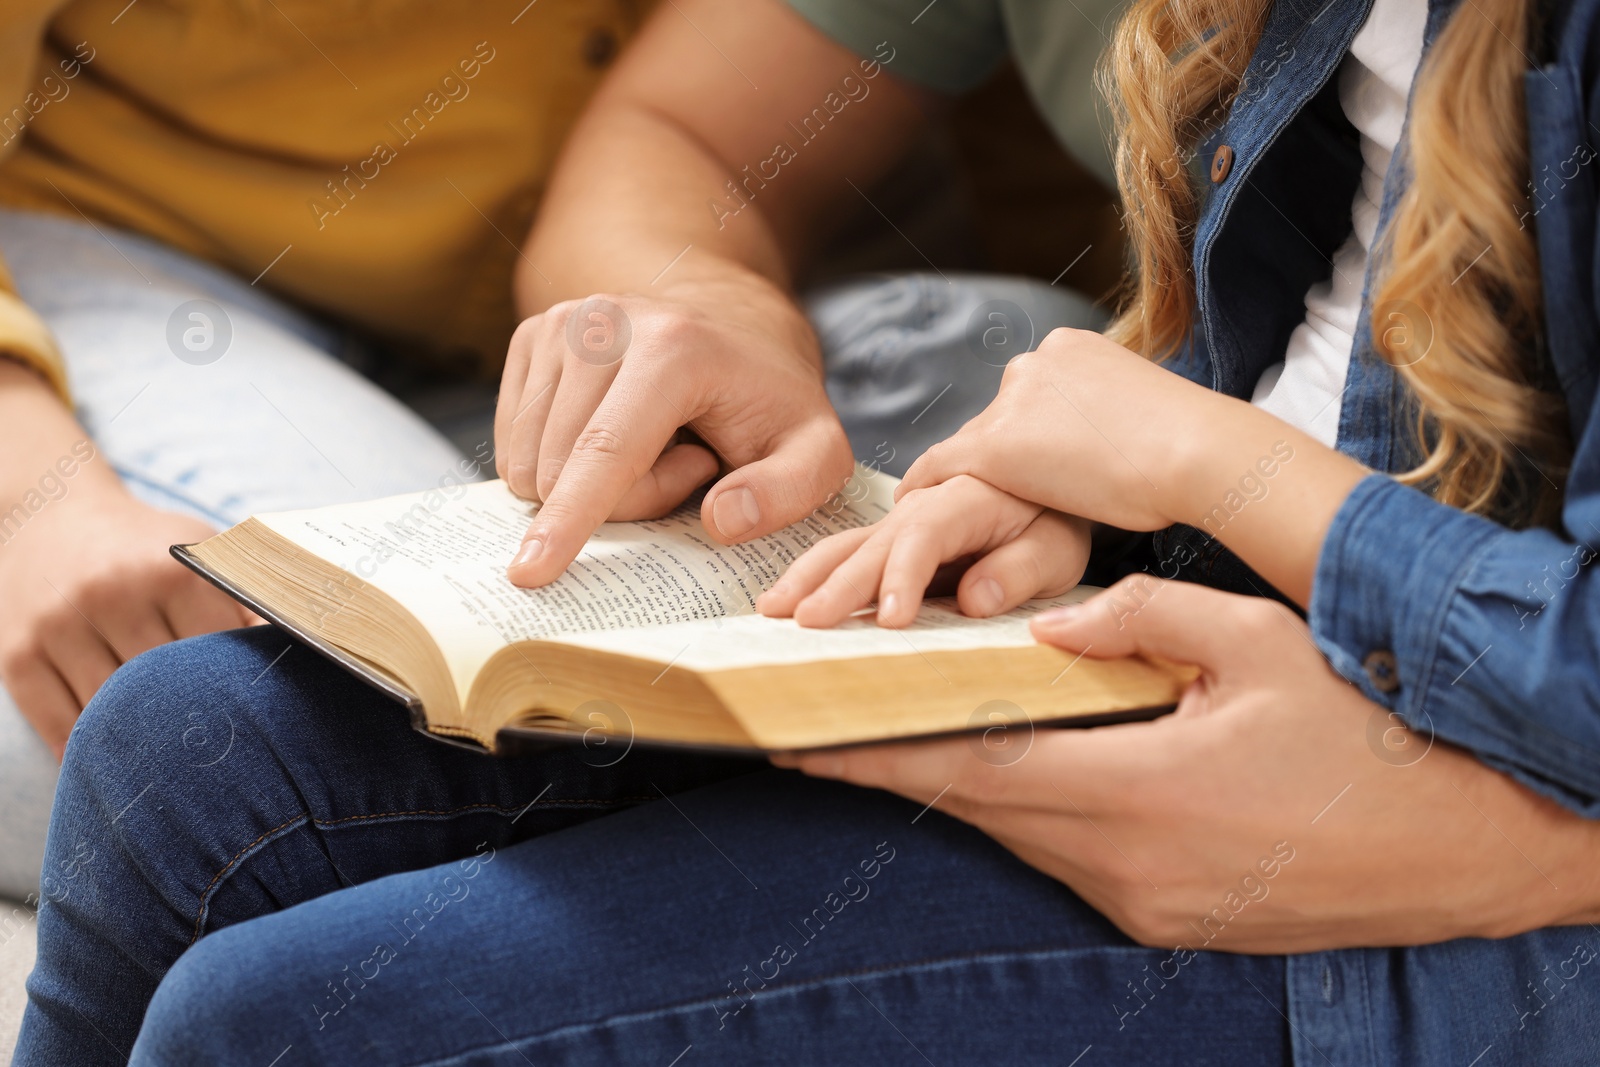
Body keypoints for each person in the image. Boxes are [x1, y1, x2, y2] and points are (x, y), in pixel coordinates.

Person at [16, 0, 1600, 1065]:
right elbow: (1330, 355)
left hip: (1458, 764)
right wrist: (1096, 472)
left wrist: (1202, 455)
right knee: (187, 753)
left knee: (284, 1017)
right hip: (1245, 615)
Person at [0, 0, 1107, 903]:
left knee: (994, 366)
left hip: (578, 292)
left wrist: (705, 317)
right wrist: (37, 497)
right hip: (153, 249)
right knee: (359, 699)